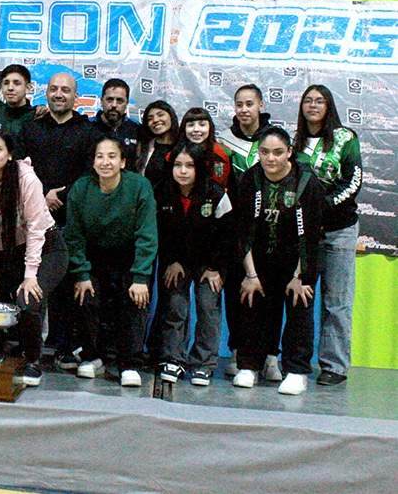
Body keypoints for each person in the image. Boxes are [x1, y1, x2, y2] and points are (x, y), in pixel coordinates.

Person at [0, 128, 68, 387]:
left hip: (47, 249)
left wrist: (30, 275)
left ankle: (32, 360)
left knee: (28, 298)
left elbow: (36, 230)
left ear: (9, 154)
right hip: (8, 253)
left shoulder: (26, 178)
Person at [233, 126, 324, 395]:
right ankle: (249, 365)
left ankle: (297, 371)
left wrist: (300, 277)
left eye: (277, 152)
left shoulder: (307, 183)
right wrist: (250, 275)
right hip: (260, 258)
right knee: (252, 302)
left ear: (290, 153)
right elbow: (242, 231)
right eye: (264, 152)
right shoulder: (250, 179)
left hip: (297, 260)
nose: (270, 158)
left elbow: (312, 235)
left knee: (300, 301)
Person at [19, 72, 99, 369]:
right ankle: (29, 349)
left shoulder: (88, 132)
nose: (59, 94)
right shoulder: (31, 128)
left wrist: (60, 195)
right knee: (31, 285)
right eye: (53, 89)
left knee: (66, 289)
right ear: (46, 93)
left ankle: (64, 347)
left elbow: (91, 174)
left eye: (66, 90)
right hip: (31, 222)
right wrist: (41, 195)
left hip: (69, 222)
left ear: (76, 97)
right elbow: (18, 167)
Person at [66, 136, 158, 387]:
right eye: (100, 157)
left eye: (112, 156)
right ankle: (92, 356)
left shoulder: (139, 186)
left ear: (123, 162)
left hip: (130, 259)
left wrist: (140, 276)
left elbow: (147, 235)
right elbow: (73, 236)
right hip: (93, 259)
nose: (105, 162)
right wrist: (82, 273)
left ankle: (129, 363)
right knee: (85, 295)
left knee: (135, 300)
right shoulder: (81, 188)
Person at [293, 85, 363, 386]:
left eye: (319, 101)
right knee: (301, 298)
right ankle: (297, 363)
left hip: (339, 230)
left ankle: (334, 366)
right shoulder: (295, 142)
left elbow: (353, 182)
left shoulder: (345, 138)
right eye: (308, 101)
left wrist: (322, 206)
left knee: (337, 302)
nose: (313, 105)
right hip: (305, 234)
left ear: (329, 106)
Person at [153, 141, 234, 385]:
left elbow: (227, 236)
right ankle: (173, 359)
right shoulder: (162, 192)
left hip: (209, 264)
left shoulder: (216, 194)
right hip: (176, 261)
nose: (183, 171)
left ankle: (203, 364)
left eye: (189, 166)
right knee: (175, 306)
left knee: (208, 307)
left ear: (199, 168)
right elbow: (160, 233)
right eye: (178, 165)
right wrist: (172, 261)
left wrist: (214, 268)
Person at [217, 84, 273, 378]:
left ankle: (270, 354)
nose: (244, 109)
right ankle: (238, 350)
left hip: (269, 229)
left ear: (260, 105)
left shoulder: (274, 139)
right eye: (239, 104)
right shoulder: (224, 140)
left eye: (249, 103)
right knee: (236, 293)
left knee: (269, 294)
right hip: (235, 230)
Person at [0, 64, 36, 151]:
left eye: (16, 83)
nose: (10, 88)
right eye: (6, 83)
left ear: (28, 88)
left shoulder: (36, 116)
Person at [178, 107, 233, 191]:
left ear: (210, 127)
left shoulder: (224, 153)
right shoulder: (174, 155)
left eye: (202, 125)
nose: (196, 129)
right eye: (191, 125)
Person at [90, 78, 140, 169]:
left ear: (127, 103)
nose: (114, 105)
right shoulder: (87, 127)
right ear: (101, 101)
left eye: (120, 100)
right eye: (109, 99)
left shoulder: (136, 129)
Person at [136, 100, 178, 187]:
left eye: (160, 115)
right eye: (150, 119)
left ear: (171, 116)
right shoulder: (144, 147)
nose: (155, 120)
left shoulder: (183, 145)